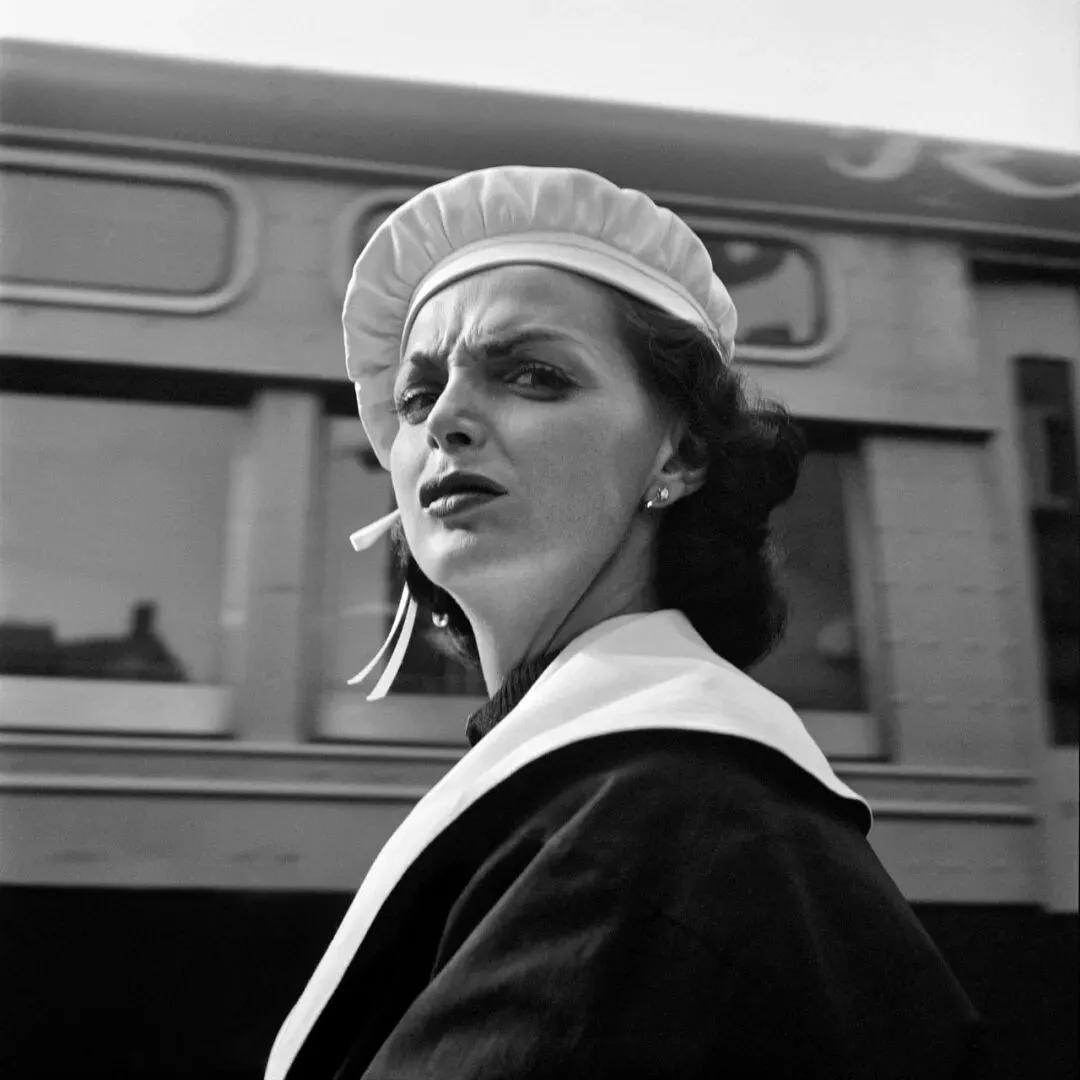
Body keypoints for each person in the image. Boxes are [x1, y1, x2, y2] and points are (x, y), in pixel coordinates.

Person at [266, 166, 981, 1079]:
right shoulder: (627, 795)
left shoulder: (664, 826)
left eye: (534, 375)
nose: (444, 420)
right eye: (416, 397)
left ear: (678, 456)